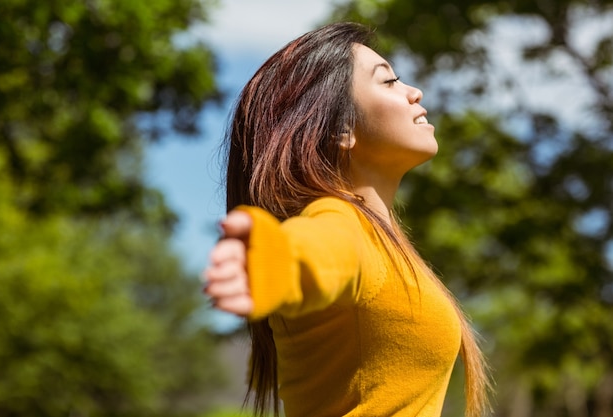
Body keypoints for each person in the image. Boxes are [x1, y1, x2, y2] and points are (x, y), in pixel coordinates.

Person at [204, 22, 491, 417]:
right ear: (340, 130)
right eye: (388, 81)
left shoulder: (380, 236)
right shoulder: (341, 219)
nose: (414, 92)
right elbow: (318, 249)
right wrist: (275, 259)